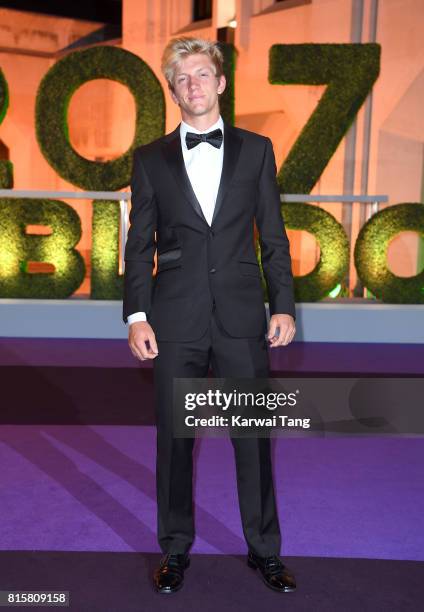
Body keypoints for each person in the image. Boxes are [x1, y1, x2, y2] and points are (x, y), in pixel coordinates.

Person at [123, 36, 296, 594]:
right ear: (174, 92)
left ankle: (264, 551)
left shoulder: (257, 149)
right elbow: (139, 246)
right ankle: (174, 550)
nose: (194, 85)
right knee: (174, 441)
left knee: (253, 439)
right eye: (183, 79)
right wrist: (136, 317)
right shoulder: (149, 159)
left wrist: (284, 305)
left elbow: (273, 235)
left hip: (244, 317)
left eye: (202, 74)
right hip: (174, 321)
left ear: (221, 83)